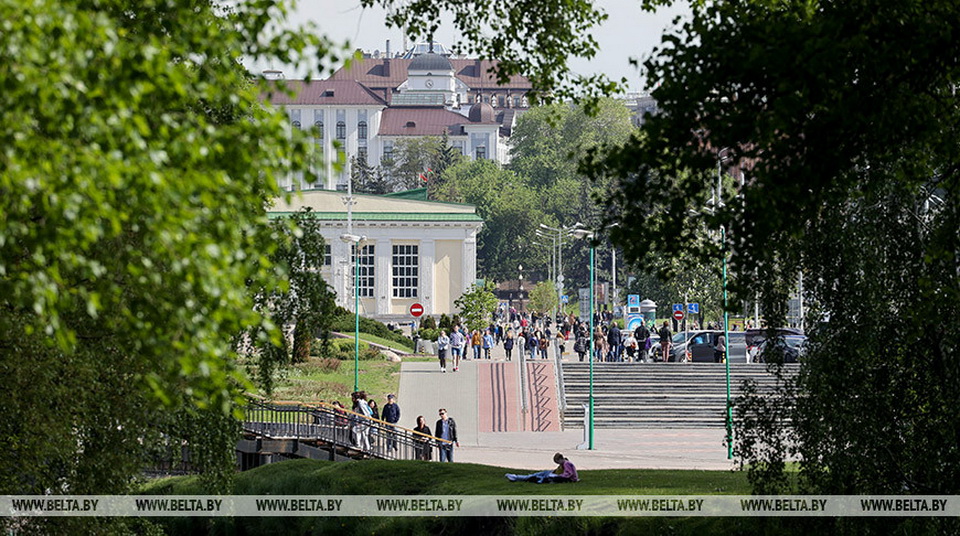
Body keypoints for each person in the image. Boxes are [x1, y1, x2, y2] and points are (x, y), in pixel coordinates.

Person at [505, 452, 579, 483]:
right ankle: (516, 477)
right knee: (536, 475)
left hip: (556, 475)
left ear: (560, 459)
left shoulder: (566, 464)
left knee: (535, 476)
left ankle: (516, 477)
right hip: (552, 473)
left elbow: (568, 474)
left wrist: (558, 476)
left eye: (557, 462)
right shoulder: (564, 463)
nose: (557, 464)